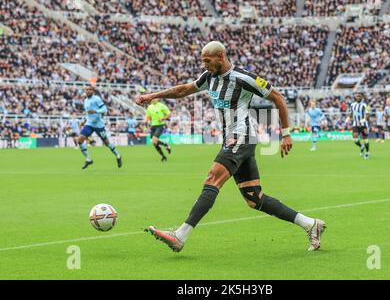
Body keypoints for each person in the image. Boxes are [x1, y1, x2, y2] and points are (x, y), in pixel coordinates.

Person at [136, 41, 326, 252]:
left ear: (221, 56)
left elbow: (278, 98)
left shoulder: (244, 78)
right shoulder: (209, 77)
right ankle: (311, 224)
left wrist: (286, 134)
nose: (205, 65)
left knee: (212, 178)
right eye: (203, 62)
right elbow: (184, 90)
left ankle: (180, 235)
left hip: (241, 136)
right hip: (233, 139)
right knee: (254, 198)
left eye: (208, 61)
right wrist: (153, 96)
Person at [78, 85, 122, 170]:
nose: (88, 91)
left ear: (93, 91)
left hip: (98, 125)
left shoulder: (97, 99)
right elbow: (88, 113)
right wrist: (84, 120)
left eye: (89, 89)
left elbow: (105, 109)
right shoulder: (85, 101)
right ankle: (88, 159)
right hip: (89, 124)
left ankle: (118, 155)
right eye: (86, 90)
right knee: (79, 140)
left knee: (107, 143)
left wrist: (96, 111)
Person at [347, 93, 370, 160]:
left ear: (362, 97)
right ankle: (361, 146)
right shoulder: (352, 105)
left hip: (364, 124)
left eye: (359, 96)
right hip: (356, 124)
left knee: (365, 139)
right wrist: (348, 118)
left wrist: (364, 119)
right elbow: (351, 113)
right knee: (355, 139)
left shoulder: (365, 105)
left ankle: (367, 153)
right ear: (355, 97)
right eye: (357, 96)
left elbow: (368, 114)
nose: (358, 97)